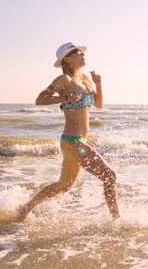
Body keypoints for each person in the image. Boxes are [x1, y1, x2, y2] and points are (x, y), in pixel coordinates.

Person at [15, 42, 120, 222]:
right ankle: (117, 220)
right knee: (110, 175)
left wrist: (98, 84)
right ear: (67, 59)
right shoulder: (64, 80)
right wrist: (65, 97)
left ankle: (25, 208)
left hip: (79, 141)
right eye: (77, 52)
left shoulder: (86, 79)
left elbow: (98, 104)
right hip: (71, 140)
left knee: (64, 185)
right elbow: (40, 99)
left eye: (81, 51)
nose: (82, 54)